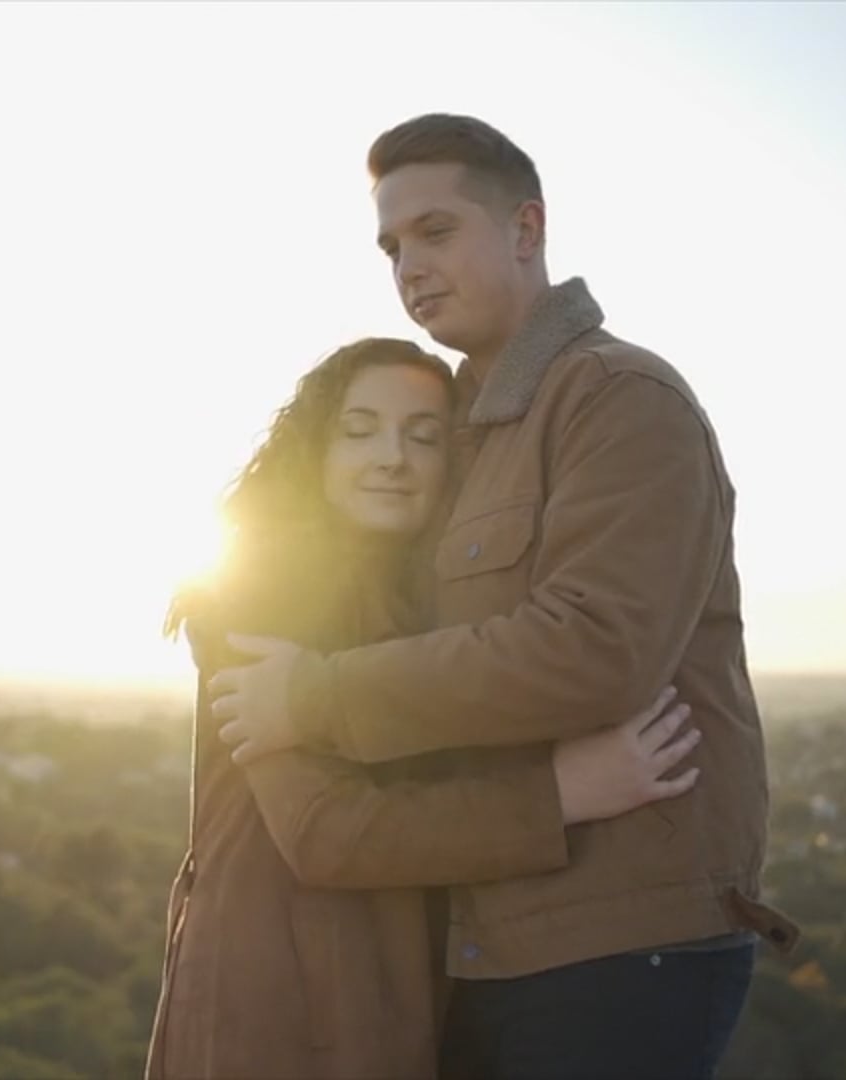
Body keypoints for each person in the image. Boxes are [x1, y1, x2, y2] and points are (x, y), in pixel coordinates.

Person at [207, 114, 800, 1079]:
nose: (409, 267)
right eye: (393, 246)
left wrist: (314, 695)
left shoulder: (619, 398)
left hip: (619, 939)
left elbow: (596, 649)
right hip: (494, 940)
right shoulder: (464, 436)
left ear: (526, 229)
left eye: (437, 232)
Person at [144, 337, 708, 1080]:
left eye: (424, 437)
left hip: (396, 986)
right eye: (359, 430)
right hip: (277, 1004)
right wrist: (560, 794)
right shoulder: (255, 594)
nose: (392, 457)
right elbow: (324, 834)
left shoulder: (435, 608)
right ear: (315, 449)